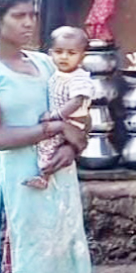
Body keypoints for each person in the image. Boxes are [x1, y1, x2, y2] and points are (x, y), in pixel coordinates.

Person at [0, 0, 92, 273]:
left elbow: (81, 115)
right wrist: (56, 127)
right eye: (19, 16)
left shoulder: (47, 64)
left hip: (59, 179)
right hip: (18, 184)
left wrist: (71, 148)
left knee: (63, 254)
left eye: (33, 14)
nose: (29, 22)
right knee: (24, 259)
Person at [23, 26, 92, 190]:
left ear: (82, 56)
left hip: (73, 121)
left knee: (49, 145)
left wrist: (56, 116)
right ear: (51, 53)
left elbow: (76, 101)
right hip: (62, 118)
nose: (64, 57)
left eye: (71, 53)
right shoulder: (57, 73)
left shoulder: (79, 77)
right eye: (59, 52)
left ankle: (44, 176)